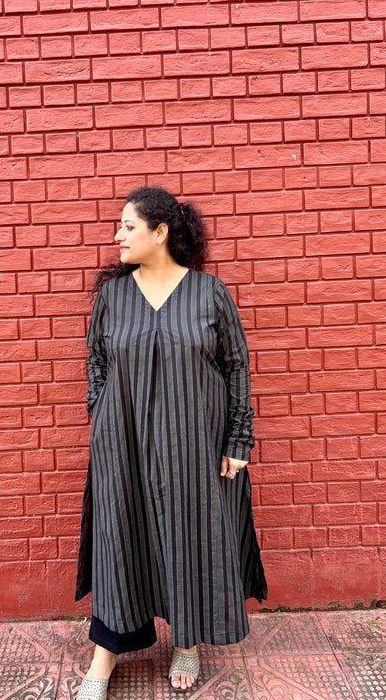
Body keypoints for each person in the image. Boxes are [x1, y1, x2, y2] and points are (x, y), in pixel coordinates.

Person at [75, 186, 267, 700]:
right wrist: (102, 410)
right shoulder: (115, 297)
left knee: (190, 537)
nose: (117, 236)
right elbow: (96, 359)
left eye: (128, 227)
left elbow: (236, 365)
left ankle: (186, 640)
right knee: (120, 540)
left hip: (194, 443)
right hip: (123, 443)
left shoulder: (209, 293)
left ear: (160, 232)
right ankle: (104, 655)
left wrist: (239, 439)